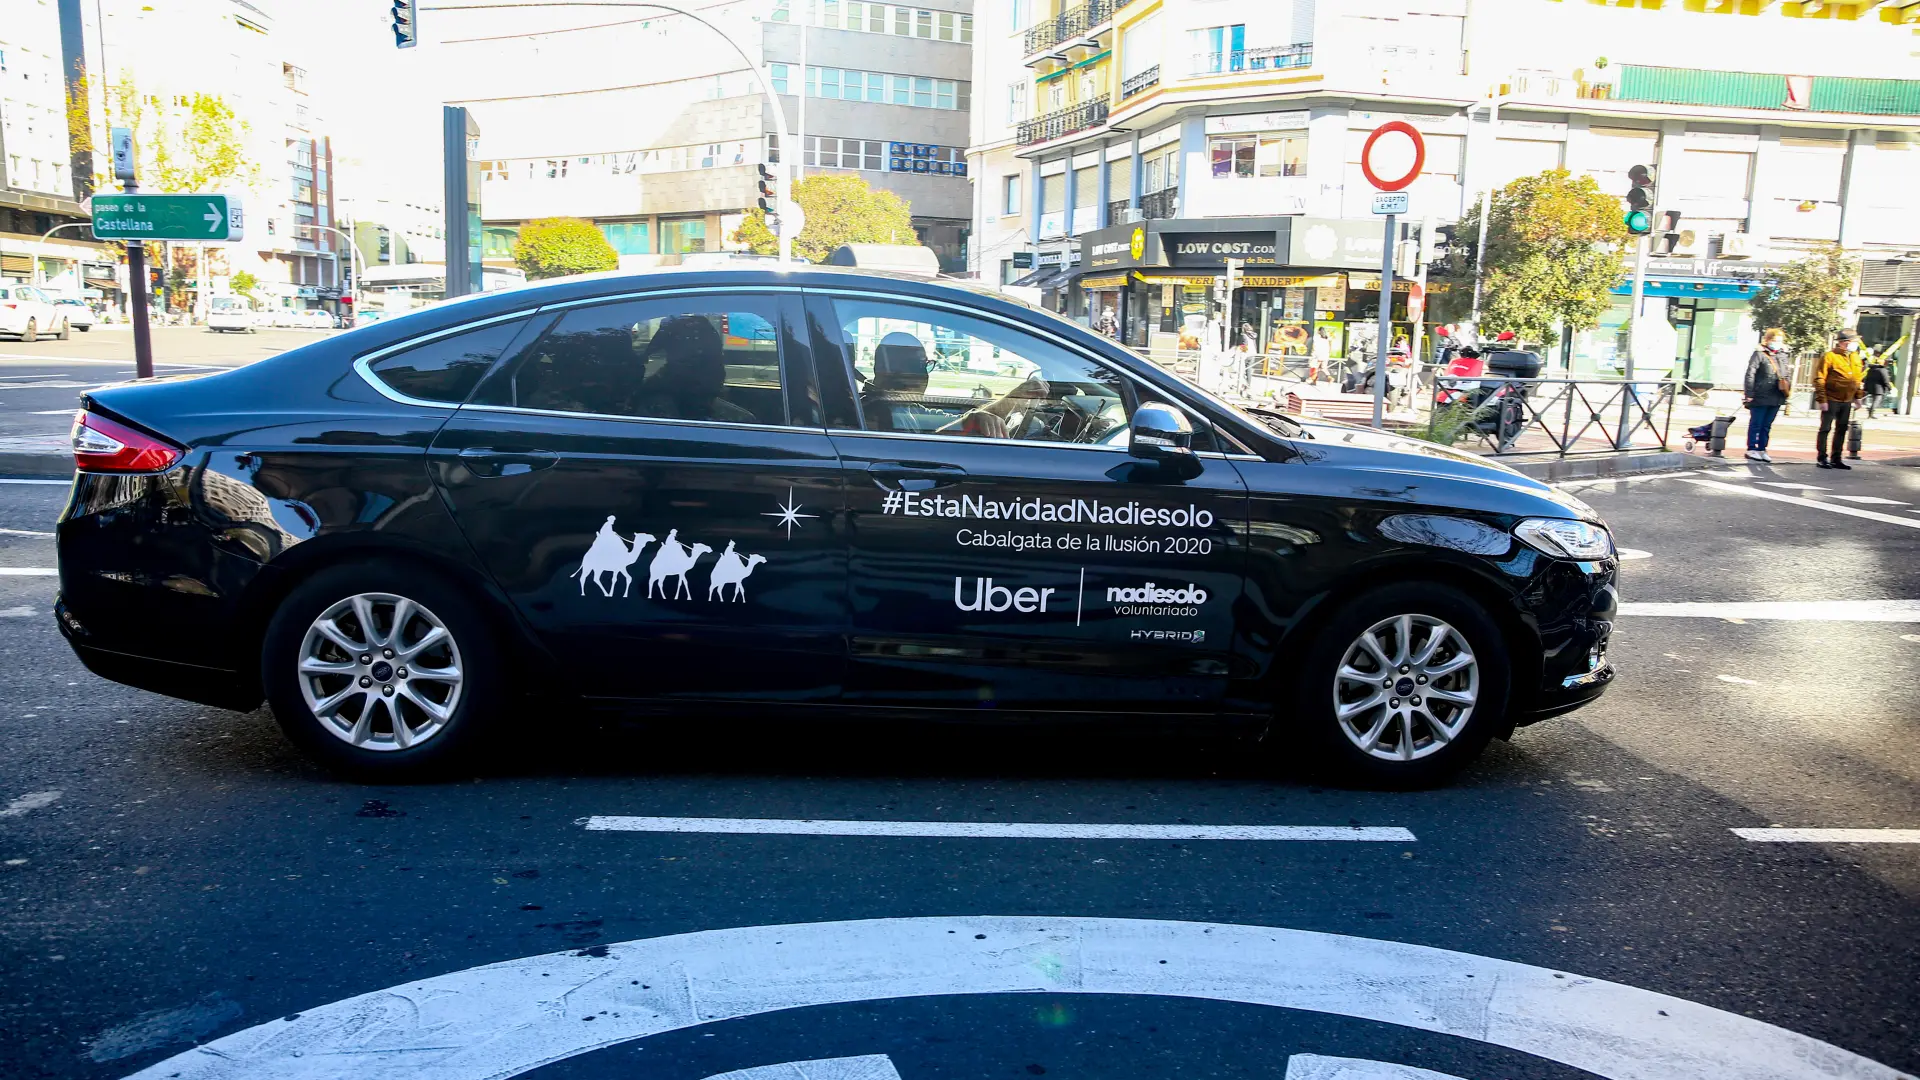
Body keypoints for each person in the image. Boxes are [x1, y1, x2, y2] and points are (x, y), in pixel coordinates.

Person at [1812, 328, 1867, 470]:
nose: (1856, 343)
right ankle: (1822, 458)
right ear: (1845, 343)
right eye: (1854, 341)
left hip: (1846, 399)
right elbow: (1819, 378)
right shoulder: (1829, 356)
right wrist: (1822, 400)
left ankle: (1836, 458)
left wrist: (1858, 396)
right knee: (1825, 428)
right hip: (1831, 398)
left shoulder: (1855, 357)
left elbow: (1857, 379)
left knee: (1841, 429)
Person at [1741, 328, 1792, 462]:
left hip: (1776, 395)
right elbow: (1750, 373)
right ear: (1767, 340)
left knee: (1767, 424)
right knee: (1756, 423)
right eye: (1774, 340)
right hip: (1760, 394)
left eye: (1780, 341)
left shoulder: (1783, 355)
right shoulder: (1759, 354)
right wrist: (1749, 393)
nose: (1777, 343)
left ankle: (1762, 449)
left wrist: (1787, 390)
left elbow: (1786, 374)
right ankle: (1752, 448)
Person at [1862, 352, 1895, 418]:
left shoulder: (1871, 369)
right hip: (1879, 389)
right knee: (1877, 401)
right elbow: (1886, 381)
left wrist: (1865, 387)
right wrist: (1890, 388)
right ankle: (1871, 413)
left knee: (1874, 400)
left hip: (1870, 387)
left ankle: (1870, 412)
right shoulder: (1883, 370)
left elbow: (1867, 379)